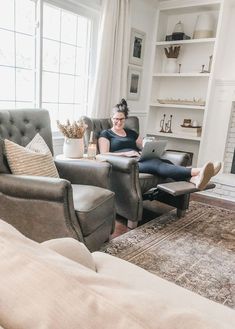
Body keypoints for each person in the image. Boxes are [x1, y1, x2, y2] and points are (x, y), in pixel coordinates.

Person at [98, 99, 222, 190]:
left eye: (122, 119)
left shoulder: (131, 133)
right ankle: (198, 171)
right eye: (116, 119)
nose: (118, 122)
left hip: (138, 159)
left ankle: (194, 180)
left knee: (164, 162)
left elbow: (143, 145)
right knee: (156, 164)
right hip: (125, 163)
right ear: (111, 118)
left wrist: (149, 147)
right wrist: (126, 153)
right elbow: (103, 154)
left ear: (125, 119)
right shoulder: (106, 133)